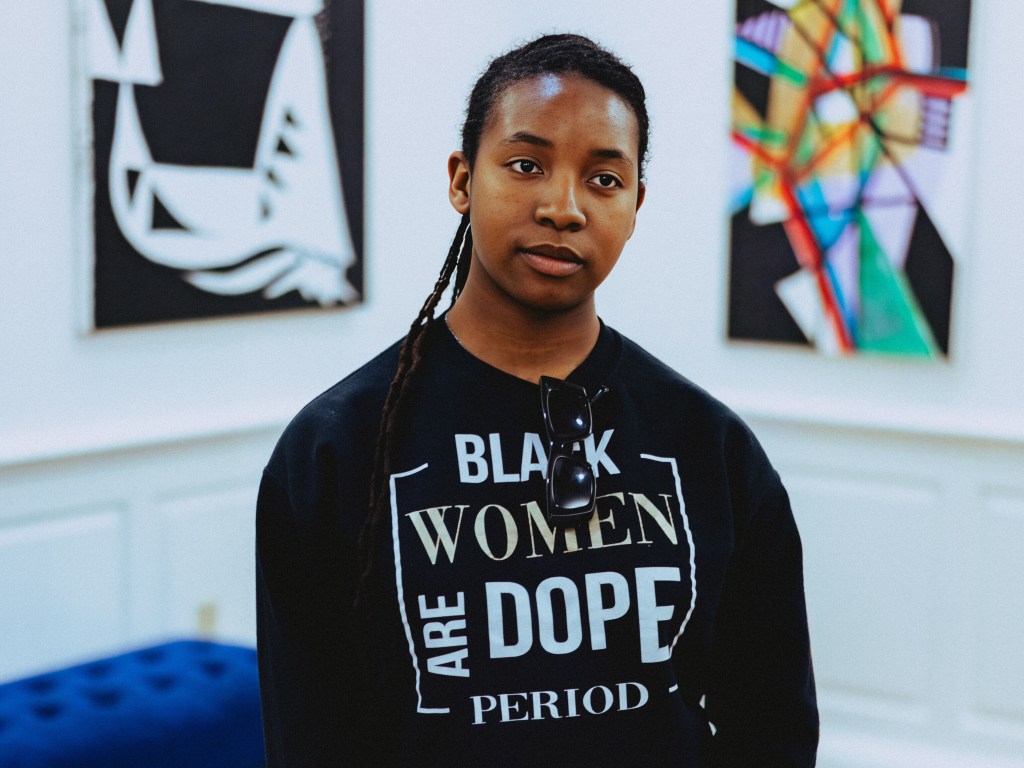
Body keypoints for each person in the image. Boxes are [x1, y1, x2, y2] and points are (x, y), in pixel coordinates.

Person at [256, 33, 819, 767]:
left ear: (636, 204)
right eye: (526, 165)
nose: (564, 207)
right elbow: (312, 735)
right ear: (462, 179)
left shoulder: (708, 447)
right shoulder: (334, 449)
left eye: (604, 180)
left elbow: (771, 726)